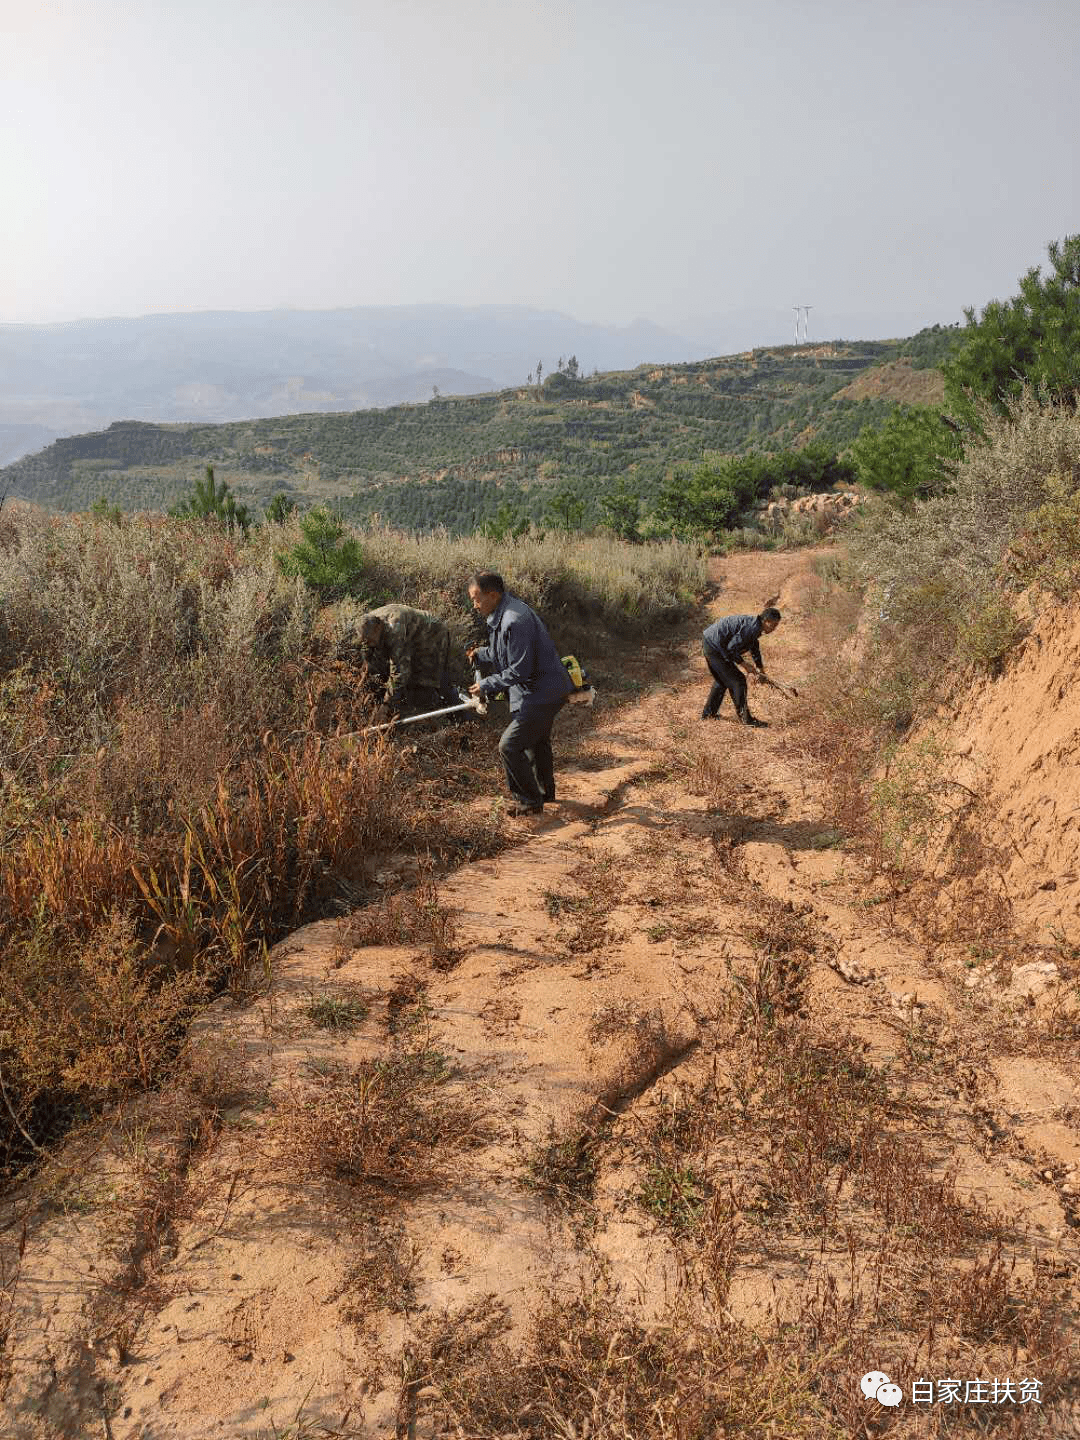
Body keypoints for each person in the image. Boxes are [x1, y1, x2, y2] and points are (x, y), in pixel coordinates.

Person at [466, 572, 574, 817]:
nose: (474, 605)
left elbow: (520, 669)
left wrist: (488, 684)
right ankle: (545, 793)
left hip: (543, 693)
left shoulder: (514, 619)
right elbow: (502, 652)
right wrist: (479, 654)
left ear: (492, 595)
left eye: (476, 599)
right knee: (536, 741)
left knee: (509, 746)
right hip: (541, 690)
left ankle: (528, 802)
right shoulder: (503, 614)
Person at [357, 603, 459, 716]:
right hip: (412, 636)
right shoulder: (367, 625)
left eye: (371, 640)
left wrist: (386, 705)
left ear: (378, 628)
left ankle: (454, 712)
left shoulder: (395, 629)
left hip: (432, 635)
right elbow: (366, 649)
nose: (369, 643)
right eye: (365, 640)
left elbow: (399, 673)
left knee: (429, 681)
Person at [701, 607, 782, 727]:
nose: (774, 628)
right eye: (773, 625)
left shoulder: (755, 625)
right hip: (714, 646)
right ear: (766, 621)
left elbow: (754, 645)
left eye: (776, 625)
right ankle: (746, 720)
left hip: (710, 641)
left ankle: (708, 714)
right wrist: (745, 665)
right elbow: (731, 648)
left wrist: (759, 667)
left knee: (722, 680)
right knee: (738, 680)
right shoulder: (751, 627)